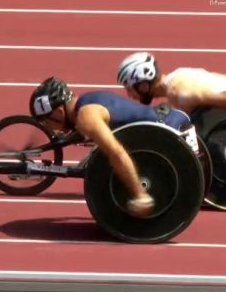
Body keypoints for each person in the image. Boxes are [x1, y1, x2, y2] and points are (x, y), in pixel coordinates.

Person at [29, 77, 193, 218]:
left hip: (171, 135)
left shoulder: (87, 117)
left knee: (110, 157)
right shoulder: (88, 99)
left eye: (46, 121)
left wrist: (139, 194)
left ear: (58, 111)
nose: (49, 128)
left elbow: (116, 152)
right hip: (175, 119)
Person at [116, 52, 226, 115]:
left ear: (143, 85)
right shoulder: (180, 73)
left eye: (130, 89)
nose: (130, 95)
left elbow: (224, 99)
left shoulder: (179, 91)